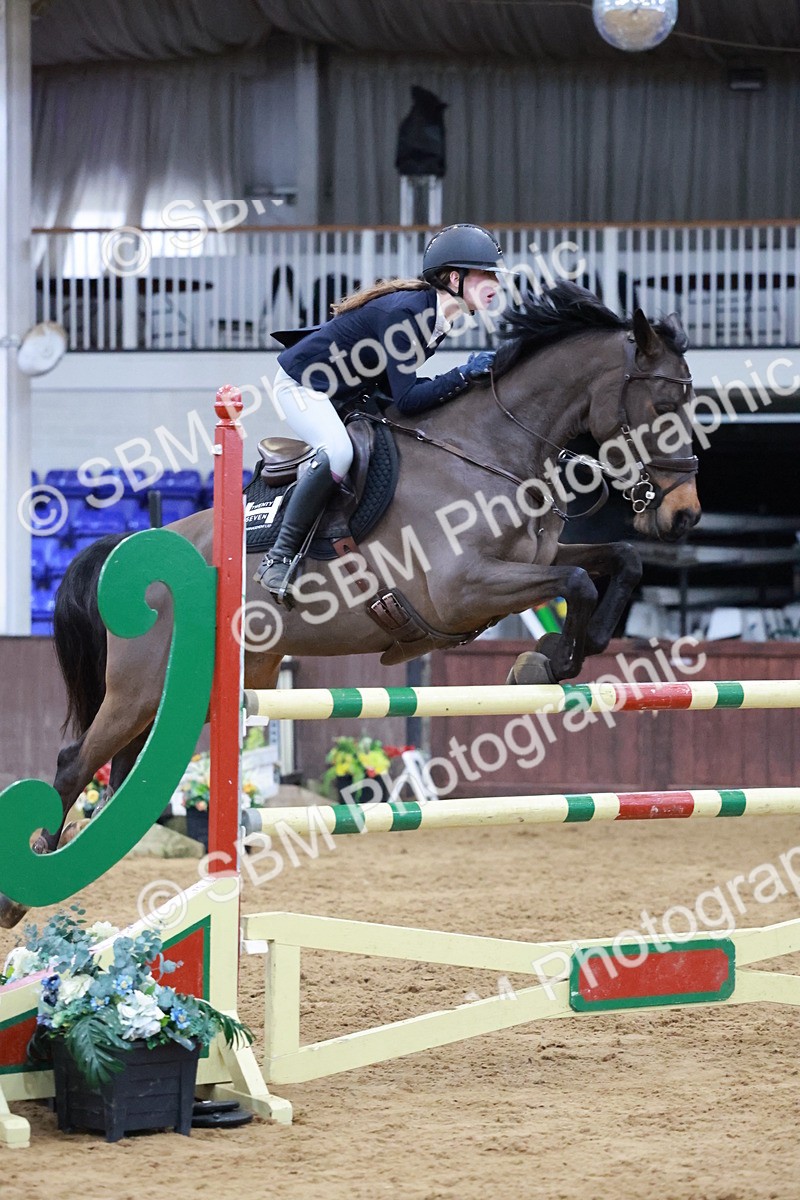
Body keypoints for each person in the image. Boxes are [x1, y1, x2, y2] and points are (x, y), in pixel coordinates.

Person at [255, 223, 505, 602]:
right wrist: (462, 374)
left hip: (348, 391)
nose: (495, 285)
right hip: (303, 386)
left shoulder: (436, 320)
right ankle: (279, 557)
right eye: (486, 275)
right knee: (338, 452)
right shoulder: (407, 313)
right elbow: (406, 399)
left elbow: (400, 391)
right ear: (455, 277)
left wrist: (465, 382)